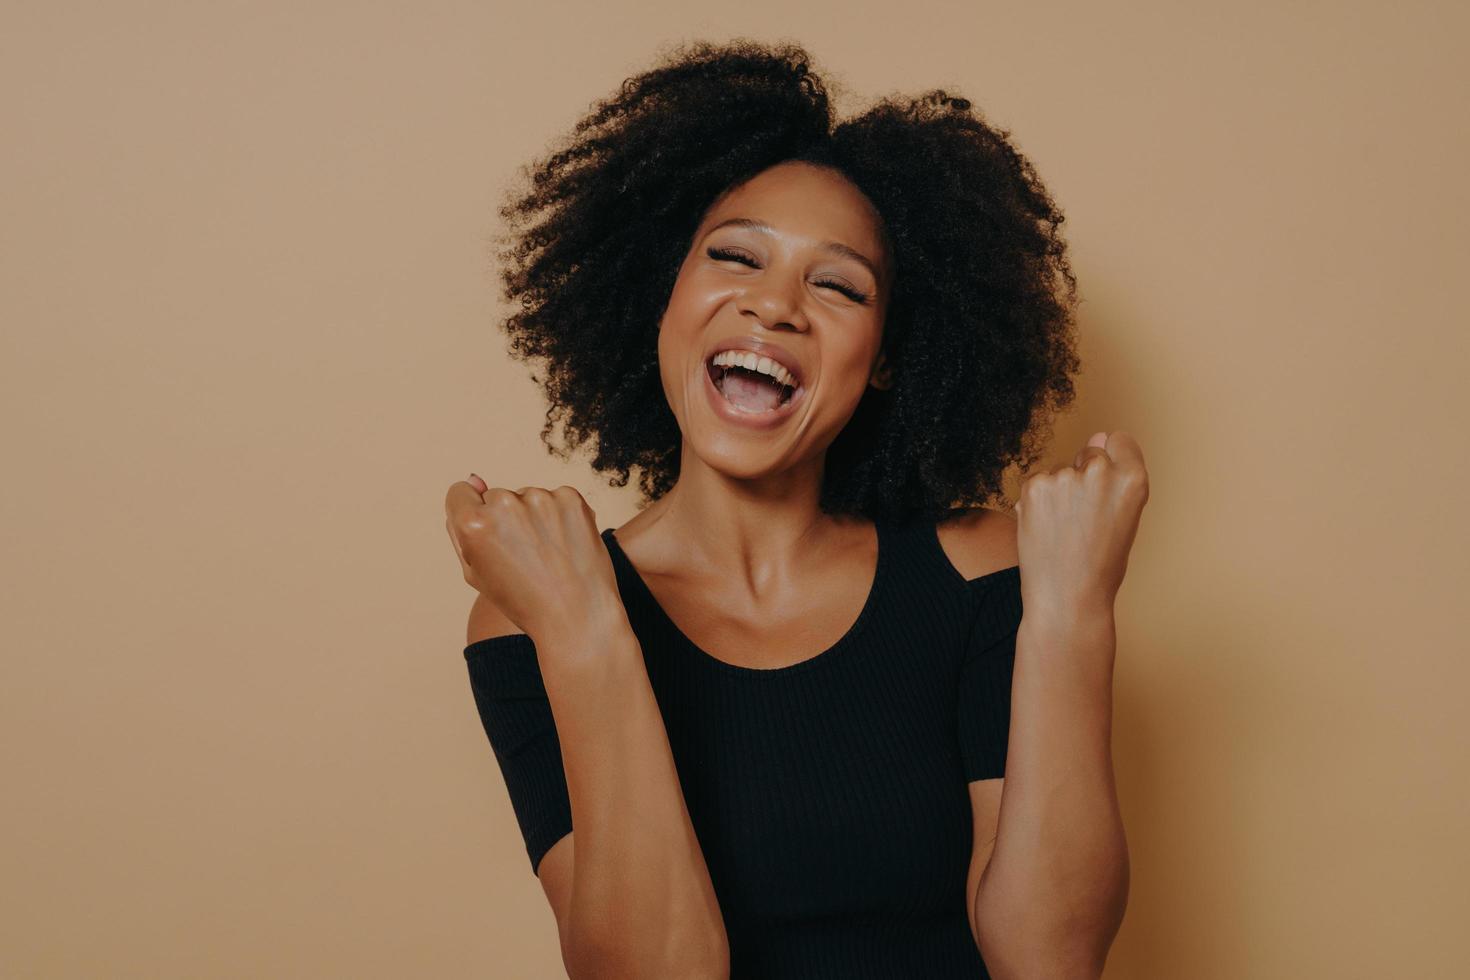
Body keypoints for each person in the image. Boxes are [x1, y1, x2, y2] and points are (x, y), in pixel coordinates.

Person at [443, 38, 1148, 979]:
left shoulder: (978, 571)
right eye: (736, 256)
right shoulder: (534, 610)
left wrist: (1074, 614)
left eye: (837, 284)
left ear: (889, 356)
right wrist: (581, 628)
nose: (774, 305)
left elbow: (1049, 961)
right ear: (665, 295)